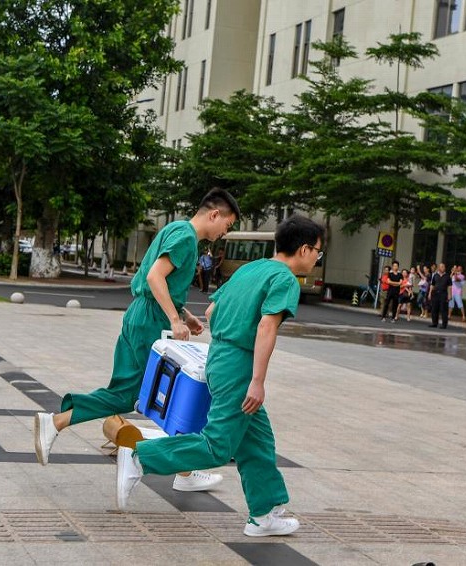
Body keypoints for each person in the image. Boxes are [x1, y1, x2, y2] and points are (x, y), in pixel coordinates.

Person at [114, 214, 325, 537]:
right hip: (239, 365)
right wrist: (257, 380)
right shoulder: (283, 279)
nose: (316, 259)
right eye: (318, 252)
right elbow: (267, 326)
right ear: (305, 249)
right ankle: (141, 456)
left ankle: (264, 513)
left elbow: (211, 312)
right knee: (217, 445)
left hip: (218, 357)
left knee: (257, 440)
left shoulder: (249, 270)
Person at [34, 189, 240, 493]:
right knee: (142, 395)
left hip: (141, 315)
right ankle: (56, 422)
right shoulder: (186, 239)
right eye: (227, 224)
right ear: (214, 215)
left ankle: (184, 469)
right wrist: (173, 319)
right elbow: (155, 278)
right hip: (151, 322)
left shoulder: (175, 229)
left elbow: (157, 282)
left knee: (149, 394)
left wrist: (185, 315)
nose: (225, 232)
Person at [429, 263, 452, 329]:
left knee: (443, 309)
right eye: (441, 267)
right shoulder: (435, 275)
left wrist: (450, 295)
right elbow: (432, 285)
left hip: (443, 294)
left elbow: (449, 287)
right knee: (434, 309)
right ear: (439, 268)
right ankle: (434, 323)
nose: (443, 268)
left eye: (443, 267)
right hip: (435, 293)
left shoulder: (447, 276)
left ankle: (444, 324)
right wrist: (430, 293)